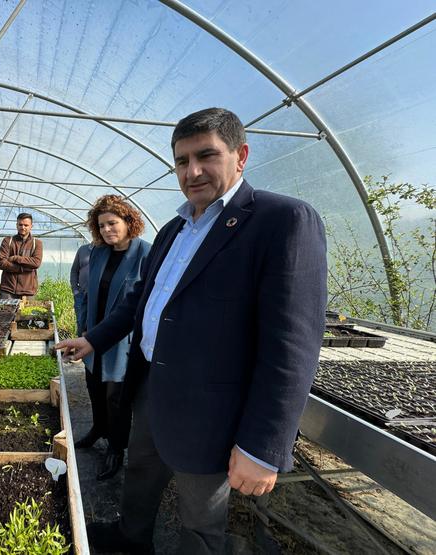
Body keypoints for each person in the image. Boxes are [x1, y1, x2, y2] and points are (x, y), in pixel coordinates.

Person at [56, 108, 327, 554]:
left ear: (241, 156)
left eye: (206, 155)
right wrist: (93, 340)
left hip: (212, 411)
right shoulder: (174, 230)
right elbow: (140, 303)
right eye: (182, 161)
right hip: (151, 388)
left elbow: (292, 345)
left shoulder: (282, 221)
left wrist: (264, 446)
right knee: (140, 473)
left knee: (200, 515)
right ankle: (130, 541)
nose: (192, 171)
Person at [76, 196, 150, 482]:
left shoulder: (146, 253)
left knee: (116, 396)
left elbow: (141, 304)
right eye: (102, 225)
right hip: (94, 335)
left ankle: (117, 448)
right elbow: (85, 292)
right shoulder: (97, 253)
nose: (107, 230)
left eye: (112, 223)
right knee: (93, 385)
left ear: (128, 222)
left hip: (123, 339)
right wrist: (85, 328)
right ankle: (97, 429)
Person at [0, 212, 43, 299]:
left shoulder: (36, 243)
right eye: (20, 224)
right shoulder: (8, 241)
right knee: (6, 312)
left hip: (28, 290)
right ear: (16, 225)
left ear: (31, 226)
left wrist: (16, 258)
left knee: (27, 312)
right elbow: (1, 263)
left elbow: (36, 263)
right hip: (8, 290)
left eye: (26, 225)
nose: (23, 227)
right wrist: (22, 268)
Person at [69, 241, 93, 337]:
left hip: (97, 296)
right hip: (81, 294)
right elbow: (74, 271)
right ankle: (80, 350)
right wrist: (75, 290)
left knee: (94, 324)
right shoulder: (83, 249)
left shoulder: (106, 250)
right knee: (81, 322)